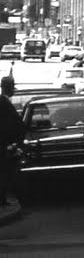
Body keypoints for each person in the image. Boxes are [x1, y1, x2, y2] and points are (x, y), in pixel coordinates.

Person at [0, 75, 23, 213]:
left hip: (6, 143)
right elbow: (10, 124)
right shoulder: (3, 102)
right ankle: (2, 199)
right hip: (4, 144)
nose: (13, 89)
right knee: (4, 172)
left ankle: (3, 198)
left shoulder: (4, 101)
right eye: (12, 86)